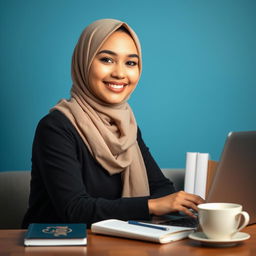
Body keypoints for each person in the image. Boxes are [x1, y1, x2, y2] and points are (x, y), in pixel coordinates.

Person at [22, 19, 204, 228]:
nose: (119, 73)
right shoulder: (55, 127)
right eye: (107, 60)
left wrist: (190, 206)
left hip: (115, 242)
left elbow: (161, 187)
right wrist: (151, 206)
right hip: (58, 244)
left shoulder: (126, 127)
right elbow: (74, 210)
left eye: (130, 63)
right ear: (84, 62)